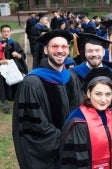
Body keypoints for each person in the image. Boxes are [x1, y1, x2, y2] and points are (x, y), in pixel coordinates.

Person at [12, 30, 83, 169]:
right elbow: (34, 125)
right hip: (48, 154)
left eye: (64, 47)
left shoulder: (71, 77)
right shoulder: (32, 83)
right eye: (54, 46)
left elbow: (79, 110)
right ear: (45, 50)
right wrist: (66, 139)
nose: (60, 50)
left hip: (73, 150)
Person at [60, 67, 112, 169]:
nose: (103, 100)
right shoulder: (79, 121)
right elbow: (78, 160)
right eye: (98, 94)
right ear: (88, 93)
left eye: (108, 94)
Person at [0, 24, 28, 114]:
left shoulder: (14, 43)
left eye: (8, 31)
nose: (6, 33)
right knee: (2, 84)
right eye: (4, 31)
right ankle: (4, 103)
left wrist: (18, 55)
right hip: (1, 70)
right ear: (1, 33)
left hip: (13, 68)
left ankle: (18, 100)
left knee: (17, 83)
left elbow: (22, 55)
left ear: (10, 32)